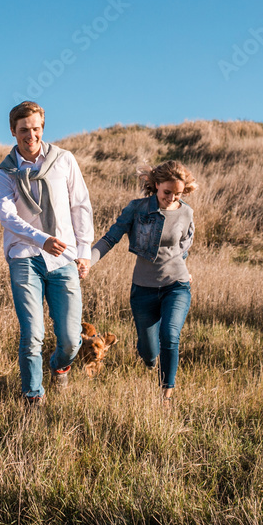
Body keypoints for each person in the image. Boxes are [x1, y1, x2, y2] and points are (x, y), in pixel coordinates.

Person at [0, 101, 95, 404]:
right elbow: (7, 216)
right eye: (24, 130)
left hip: (63, 258)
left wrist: (85, 252)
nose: (30, 135)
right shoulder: (6, 172)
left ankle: (59, 364)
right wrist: (41, 239)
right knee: (32, 334)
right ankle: (33, 398)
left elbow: (80, 205)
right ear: (13, 131)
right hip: (24, 256)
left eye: (35, 128)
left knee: (70, 339)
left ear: (42, 128)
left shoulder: (64, 160)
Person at [90, 160, 197, 406]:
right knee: (149, 353)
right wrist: (87, 262)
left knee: (170, 335)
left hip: (176, 285)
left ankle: (166, 396)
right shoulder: (137, 209)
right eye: (167, 192)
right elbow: (110, 238)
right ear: (156, 185)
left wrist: (184, 269)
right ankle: (151, 360)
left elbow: (184, 247)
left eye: (177, 194)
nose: (171, 198)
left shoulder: (186, 212)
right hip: (144, 290)